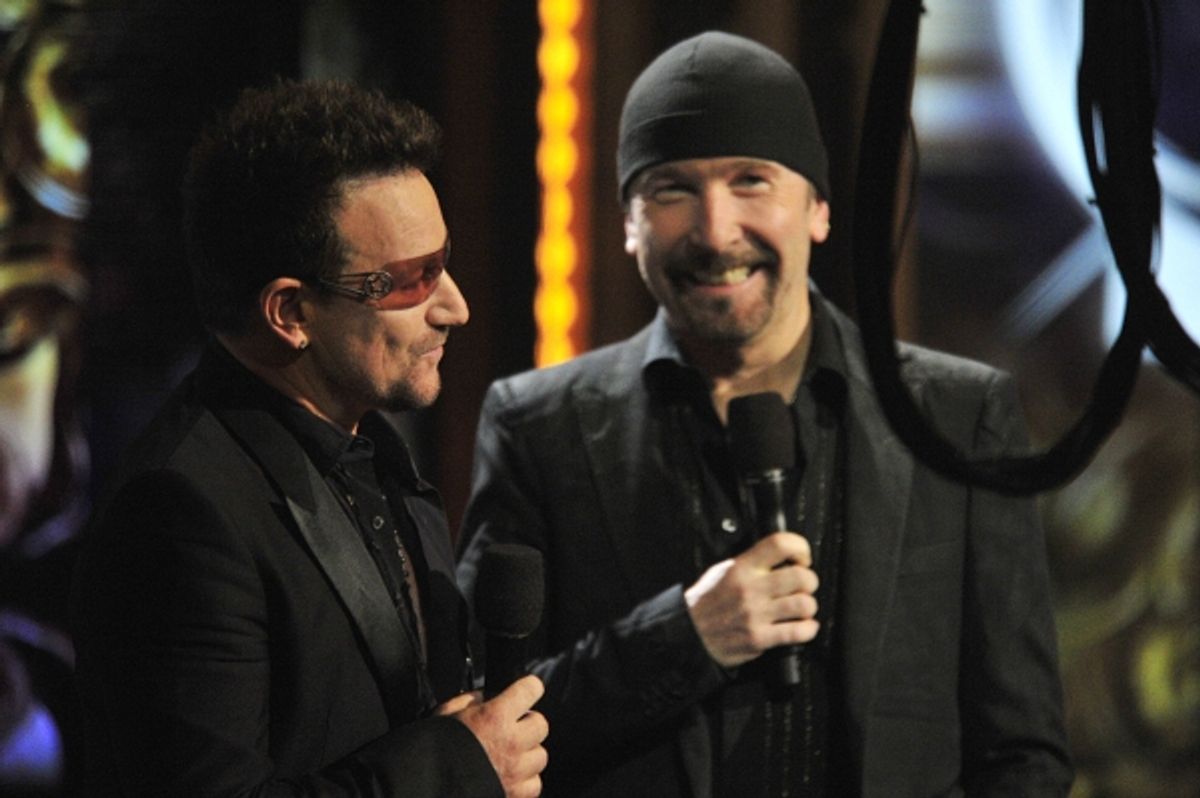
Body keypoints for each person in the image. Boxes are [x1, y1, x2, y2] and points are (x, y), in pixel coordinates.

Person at [457, 31, 1073, 797]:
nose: (717, 233)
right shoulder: (537, 427)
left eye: (751, 181)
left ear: (816, 208)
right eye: (673, 189)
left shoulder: (954, 414)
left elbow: (1021, 751)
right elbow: (482, 735)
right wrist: (683, 638)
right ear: (627, 222)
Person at [70, 79, 548, 797]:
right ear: (290, 311)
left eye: (443, 262)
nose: (456, 307)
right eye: (413, 281)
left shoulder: (378, 450)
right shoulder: (179, 511)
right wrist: (453, 767)